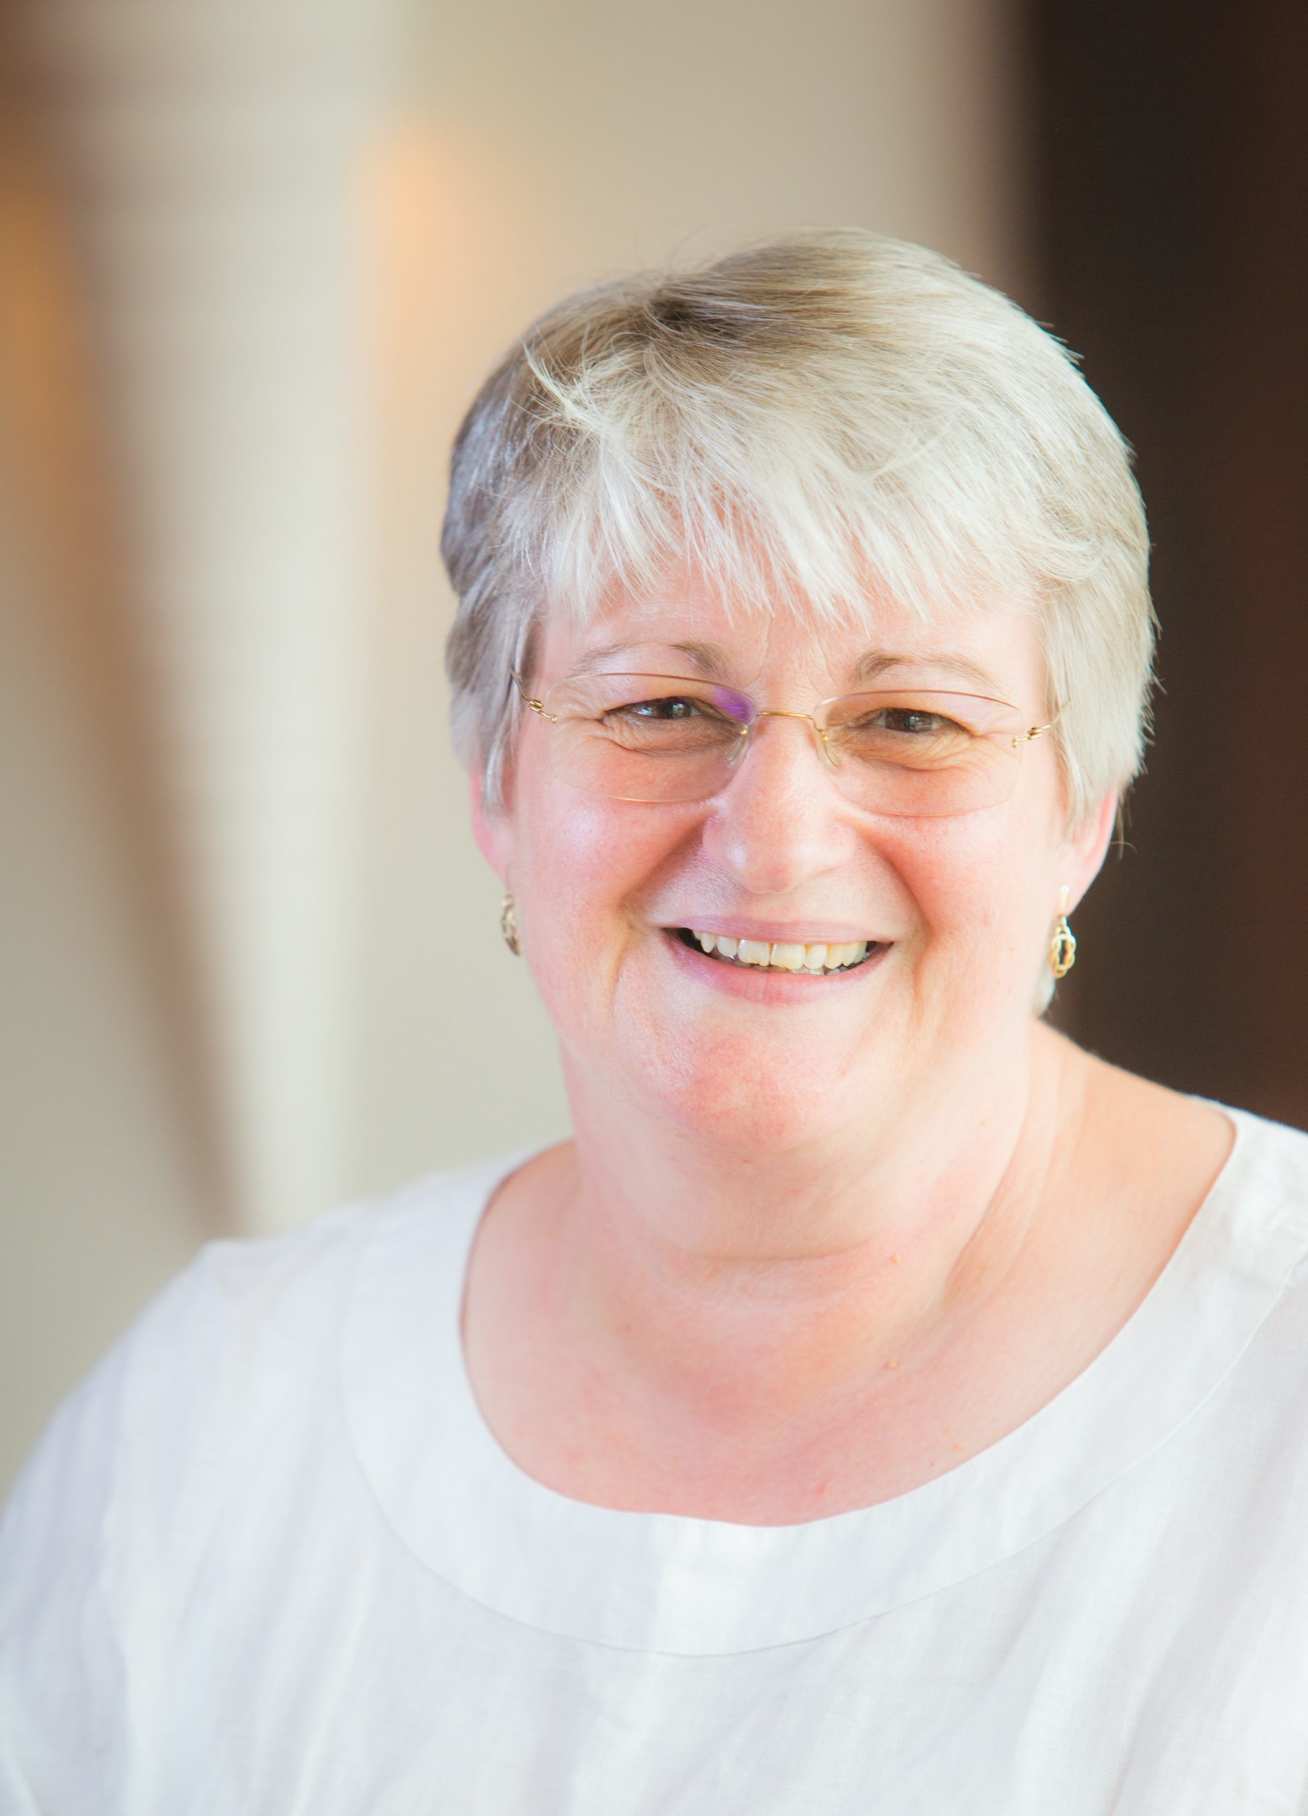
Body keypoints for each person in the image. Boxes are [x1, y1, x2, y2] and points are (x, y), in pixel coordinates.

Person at [3, 230, 1307, 1813]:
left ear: (1082, 809)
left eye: (911, 718)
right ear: (499, 777)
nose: (775, 841)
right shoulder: (214, 1422)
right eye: (663, 707)